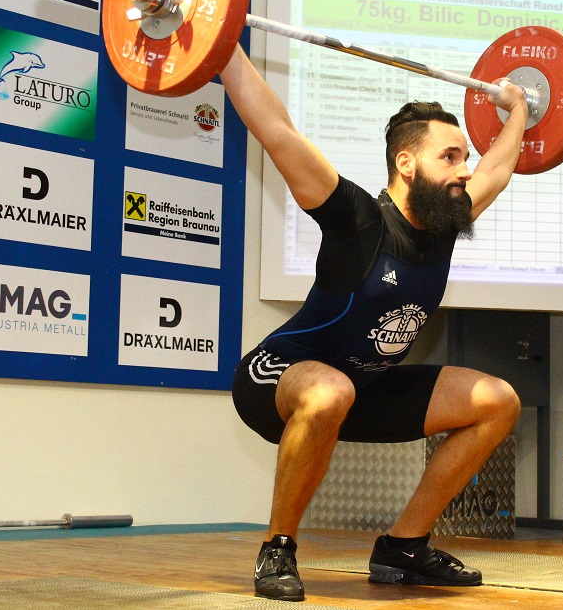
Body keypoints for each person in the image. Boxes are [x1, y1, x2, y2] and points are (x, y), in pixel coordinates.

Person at [220, 43, 526, 602]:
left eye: (465, 158)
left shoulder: (444, 221)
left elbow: (499, 169)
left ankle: (403, 547)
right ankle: (278, 548)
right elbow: (276, 131)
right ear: (406, 164)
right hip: (276, 379)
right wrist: (222, 49)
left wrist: (519, 107)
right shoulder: (357, 219)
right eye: (450, 157)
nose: (465, 170)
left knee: (498, 401)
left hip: (360, 390)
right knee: (330, 390)